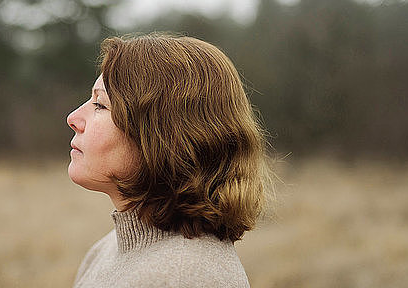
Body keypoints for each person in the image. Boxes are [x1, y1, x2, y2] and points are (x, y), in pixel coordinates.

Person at [66, 32, 272, 288]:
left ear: (164, 135)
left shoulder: (185, 277)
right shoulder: (107, 249)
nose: (73, 118)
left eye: (100, 105)